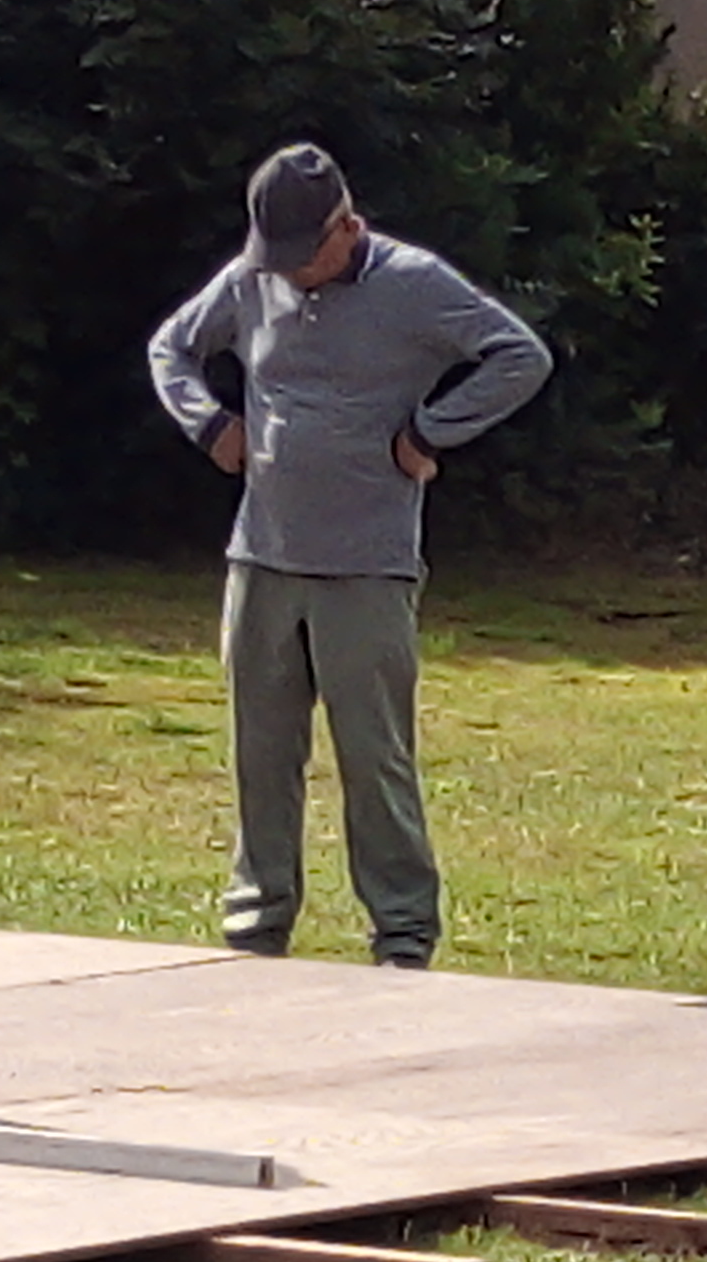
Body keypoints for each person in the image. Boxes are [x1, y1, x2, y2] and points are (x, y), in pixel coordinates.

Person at [144, 145, 549, 967]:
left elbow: (520, 357)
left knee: (374, 761)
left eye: (303, 257)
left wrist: (430, 432)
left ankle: (402, 937)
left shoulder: (415, 284)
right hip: (262, 557)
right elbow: (171, 349)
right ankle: (256, 930)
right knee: (261, 755)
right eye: (276, 259)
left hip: (367, 566)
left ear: (347, 227)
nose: (289, 274)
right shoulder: (253, 277)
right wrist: (212, 424)